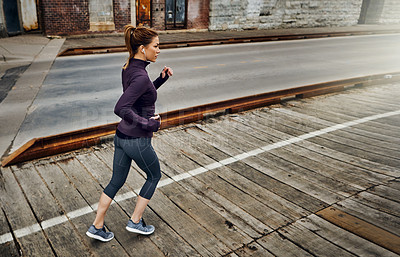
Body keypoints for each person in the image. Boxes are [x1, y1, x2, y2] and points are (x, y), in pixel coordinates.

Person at [86, 25, 173, 242]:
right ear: (143, 48)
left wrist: (160, 80)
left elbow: (139, 95)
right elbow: (121, 108)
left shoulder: (129, 68)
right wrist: (148, 124)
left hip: (121, 138)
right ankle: (135, 221)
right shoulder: (141, 75)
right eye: (156, 46)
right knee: (154, 176)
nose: (159, 50)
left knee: (116, 180)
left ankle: (97, 226)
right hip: (137, 140)